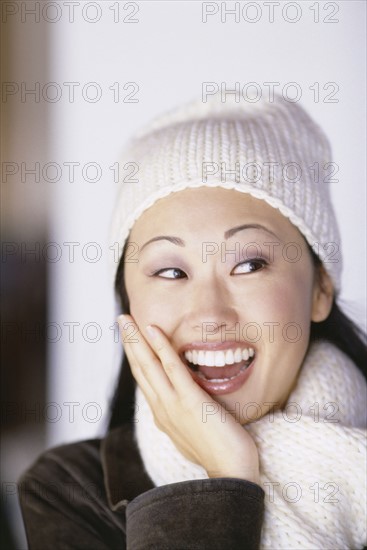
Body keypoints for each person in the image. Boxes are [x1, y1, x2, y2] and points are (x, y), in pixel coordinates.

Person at [19, 93, 367, 549]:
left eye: (249, 265)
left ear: (321, 289)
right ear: (128, 304)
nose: (210, 314)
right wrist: (224, 482)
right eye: (170, 271)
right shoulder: (68, 490)